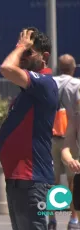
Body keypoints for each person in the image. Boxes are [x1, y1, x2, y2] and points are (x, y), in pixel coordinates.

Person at [0, 27, 58, 230]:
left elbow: (6, 68)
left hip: (32, 182)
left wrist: (20, 45)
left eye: (28, 52)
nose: (22, 56)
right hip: (19, 181)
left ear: (45, 56)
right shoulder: (28, 91)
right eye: (21, 52)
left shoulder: (46, 83)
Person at [50, 54, 80, 229]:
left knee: (52, 180)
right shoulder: (77, 84)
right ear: (73, 68)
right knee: (73, 181)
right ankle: (73, 218)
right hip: (71, 137)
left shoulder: (51, 82)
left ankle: (52, 218)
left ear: (59, 68)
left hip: (52, 136)